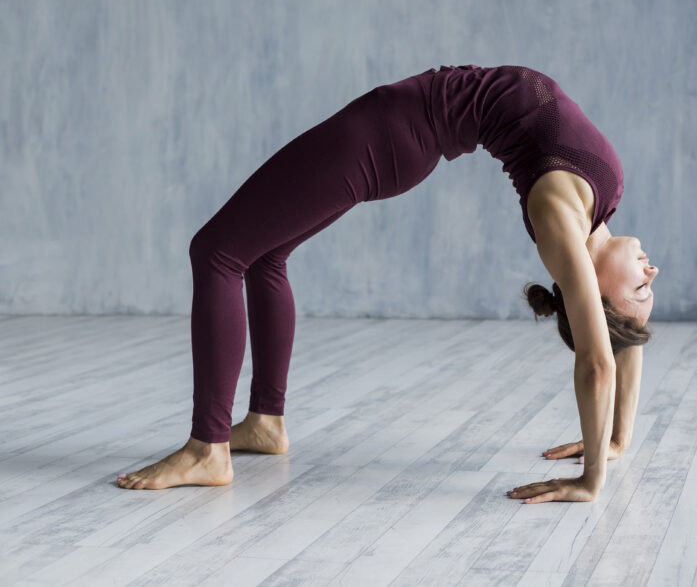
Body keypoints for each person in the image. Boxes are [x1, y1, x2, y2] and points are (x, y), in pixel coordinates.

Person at [116, 64, 659, 503]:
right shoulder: (602, 198)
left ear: (589, 287)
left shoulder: (559, 222)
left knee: (216, 252)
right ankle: (264, 422)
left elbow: (599, 360)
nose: (650, 273)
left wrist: (591, 479)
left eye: (639, 289)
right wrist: (614, 439)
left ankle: (207, 449)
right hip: (399, 123)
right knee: (267, 253)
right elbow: (626, 341)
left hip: (391, 135)